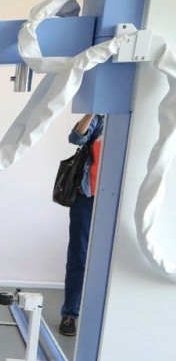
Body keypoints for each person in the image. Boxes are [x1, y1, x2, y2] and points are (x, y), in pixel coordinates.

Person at [60, 114, 104, 337]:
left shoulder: (140, 120)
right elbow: (76, 138)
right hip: (87, 196)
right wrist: (92, 111)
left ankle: (106, 316)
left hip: (120, 200)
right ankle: (70, 313)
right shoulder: (101, 119)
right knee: (79, 254)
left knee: (114, 259)